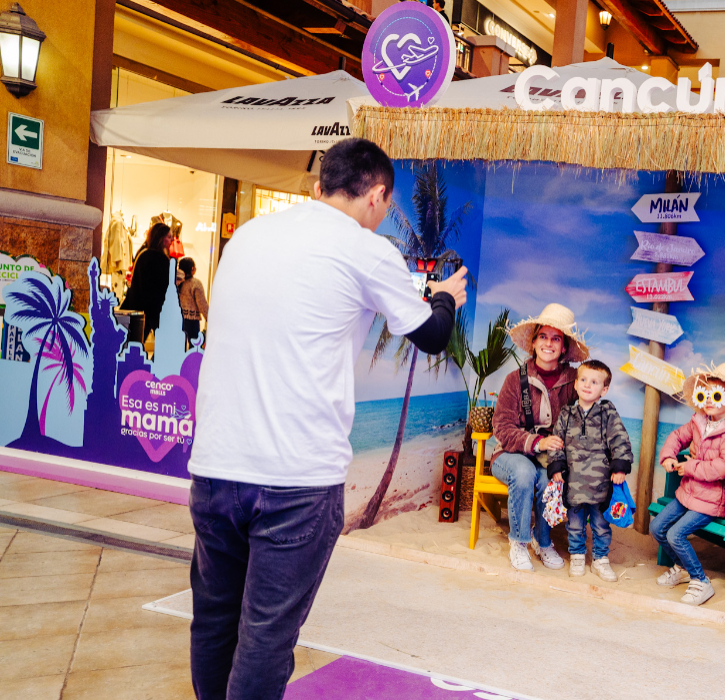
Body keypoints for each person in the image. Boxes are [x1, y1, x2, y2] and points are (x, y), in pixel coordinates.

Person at [186, 138, 467, 700]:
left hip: (215, 467)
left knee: (215, 621)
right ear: (378, 195)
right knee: (266, 634)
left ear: (318, 188)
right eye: (386, 205)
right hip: (295, 481)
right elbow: (432, 336)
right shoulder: (367, 250)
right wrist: (445, 297)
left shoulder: (248, 235)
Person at [491, 303, 588, 572]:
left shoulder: (574, 381)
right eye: (543, 336)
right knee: (524, 473)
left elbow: (583, 419)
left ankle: (542, 541)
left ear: (565, 347)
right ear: (533, 342)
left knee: (548, 481)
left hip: (551, 459)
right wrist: (537, 442)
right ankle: (519, 542)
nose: (549, 343)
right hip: (510, 455)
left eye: (556, 338)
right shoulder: (515, 380)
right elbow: (501, 426)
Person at [652, 363, 725, 606]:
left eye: (716, 396)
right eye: (704, 394)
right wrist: (668, 456)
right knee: (657, 527)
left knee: (676, 534)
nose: (708, 401)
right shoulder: (699, 421)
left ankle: (701, 581)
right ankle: (682, 567)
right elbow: (677, 436)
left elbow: (722, 467)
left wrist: (689, 467)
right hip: (687, 492)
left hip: (710, 500)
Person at [546, 360, 633, 582]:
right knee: (574, 524)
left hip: (601, 484)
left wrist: (620, 465)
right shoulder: (566, 414)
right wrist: (556, 465)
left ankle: (600, 559)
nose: (587, 385)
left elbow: (620, 439)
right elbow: (556, 443)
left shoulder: (607, 413)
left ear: (604, 389)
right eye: (583, 380)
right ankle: (577, 555)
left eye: (594, 382)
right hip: (573, 482)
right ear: (575, 384)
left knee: (601, 525)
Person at [120, 222, 174, 345]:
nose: (171, 240)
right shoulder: (161, 259)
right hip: (154, 309)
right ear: (161, 238)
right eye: (169, 237)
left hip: (138, 306)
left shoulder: (143, 253)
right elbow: (164, 287)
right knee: (163, 344)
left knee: (135, 343)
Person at [177, 257, 209, 346]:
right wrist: (209, 318)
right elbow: (202, 304)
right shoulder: (196, 283)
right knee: (194, 347)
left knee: (180, 346)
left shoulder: (178, 283)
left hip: (179, 320)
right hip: (192, 321)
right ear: (192, 269)